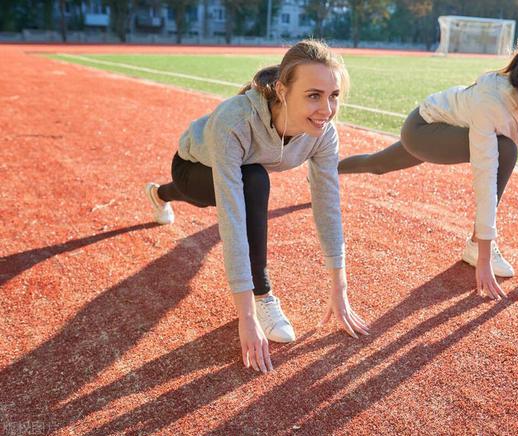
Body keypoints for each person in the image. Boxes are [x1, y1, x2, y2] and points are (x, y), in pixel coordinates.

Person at [144, 40, 369, 374]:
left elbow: (327, 204)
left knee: (249, 180)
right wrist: (247, 314)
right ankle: (265, 295)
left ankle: (160, 195)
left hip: (237, 172)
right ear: (282, 90)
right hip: (193, 165)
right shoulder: (235, 120)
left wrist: (340, 289)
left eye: (333, 95)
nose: (326, 109)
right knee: (250, 182)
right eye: (313, 95)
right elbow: (232, 218)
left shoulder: (324, 132)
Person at [338, 32, 518, 300]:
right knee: (505, 149)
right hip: (423, 128)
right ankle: (475, 245)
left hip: (451, 135)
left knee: (378, 163)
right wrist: (484, 255)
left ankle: (329, 172)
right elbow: (485, 174)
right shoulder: (493, 101)